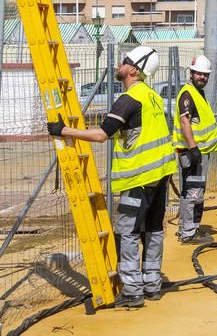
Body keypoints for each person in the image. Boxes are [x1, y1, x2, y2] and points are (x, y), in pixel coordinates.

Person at [47, 47, 177, 309]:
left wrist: (65, 130)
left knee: (127, 232)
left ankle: (132, 291)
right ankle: (152, 284)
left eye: (125, 61)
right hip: (160, 176)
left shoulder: (129, 99)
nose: (120, 63)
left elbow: (101, 135)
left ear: (134, 70)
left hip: (137, 177)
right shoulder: (152, 96)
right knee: (153, 230)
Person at [172, 55, 217, 245]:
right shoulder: (187, 94)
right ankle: (189, 233)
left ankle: (187, 228)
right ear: (191, 74)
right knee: (192, 192)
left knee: (193, 190)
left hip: (197, 152)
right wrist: (193, 148)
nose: (203, 77)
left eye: (205, 75)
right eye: (199, 74)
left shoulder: (196, 93)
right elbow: (185, 121)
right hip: (191, 153)